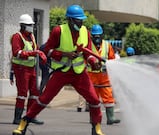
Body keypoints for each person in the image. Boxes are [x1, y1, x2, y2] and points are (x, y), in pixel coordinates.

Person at [12, 5, 105, 135]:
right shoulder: (58, 31)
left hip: (79, 73)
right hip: (61, 72)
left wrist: (93, 62)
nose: (81, 22)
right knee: (44, 99)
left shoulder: (85, 32)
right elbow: (46, 50)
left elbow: (87, 53)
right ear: (70, 20)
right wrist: (63, 54)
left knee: (94, 100)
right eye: (78, 20)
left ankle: (96, 128)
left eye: (82, 20)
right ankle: (24, 122)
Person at [10, 14, 46, 126]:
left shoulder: (32, 36)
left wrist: (41, 54)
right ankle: (17, 118)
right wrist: (34, 53)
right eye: (29, 25)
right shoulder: (17, 36)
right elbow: (17, 53)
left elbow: (36, 49)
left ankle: (31, 116)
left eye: (32, 25)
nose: (31, 27)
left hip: (32, 68)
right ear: (23, 26)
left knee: (35, 92)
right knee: (22, 93)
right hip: (21, 69)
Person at [87, 24, 120, 125]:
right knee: (93, 98)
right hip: (92, 76)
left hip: (104, 76)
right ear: (91, 36)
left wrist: (108, 65)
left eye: (98, 36)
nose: (97, 38)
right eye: (95, 36)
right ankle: (93, 119)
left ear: (102, 35)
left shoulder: (107, 45)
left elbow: (112, 59)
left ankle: (111, 118)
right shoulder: (88, 45)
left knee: (108, 96)